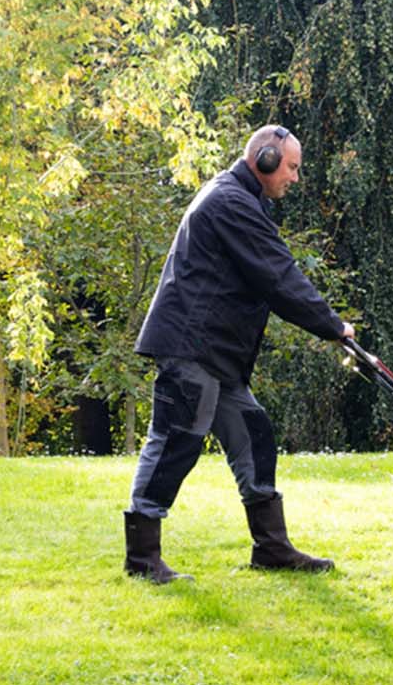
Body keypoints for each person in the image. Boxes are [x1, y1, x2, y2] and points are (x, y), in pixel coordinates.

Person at [123, 124, 355, 583]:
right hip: (191, 346)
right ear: (264, 159)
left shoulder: (243, 201)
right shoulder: (230, 202)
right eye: (291, 166)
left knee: (254, 434)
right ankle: (142, 558)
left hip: (218, 353)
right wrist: (332, 326)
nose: (294, 177)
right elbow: (278, 276)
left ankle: (271, 547)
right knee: (176, 440)